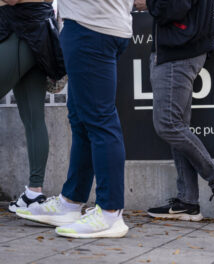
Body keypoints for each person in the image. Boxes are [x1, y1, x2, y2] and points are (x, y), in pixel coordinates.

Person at [16, 0, 134, 239]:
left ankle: (110, 213)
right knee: (82, 119)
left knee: (100, 120)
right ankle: (71, 202)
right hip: (98, 24)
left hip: (91, 27)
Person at [145, 0, 214, 223]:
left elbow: (173, 8)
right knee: (177, 126)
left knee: (168, 125)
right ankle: (188, 202)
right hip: (181, 49)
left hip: (177, 51)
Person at [0, 0, 61, 213]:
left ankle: (34, 193)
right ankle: (34, 194)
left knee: (33, 118)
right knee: (33, 118)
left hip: (19, 29)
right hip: (35, 32)